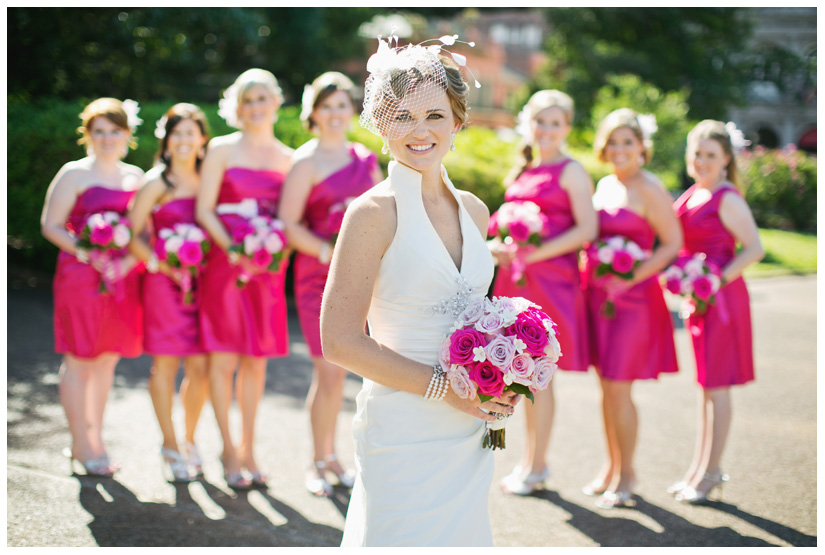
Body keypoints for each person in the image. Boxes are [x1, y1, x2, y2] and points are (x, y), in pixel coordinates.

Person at [321, 38, 520, 547]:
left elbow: (478, 318)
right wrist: (444, 389)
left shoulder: (475, 211)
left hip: (470, 432)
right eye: (403, 115)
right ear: (382, 123)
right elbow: (339, 341)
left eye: (435, 114)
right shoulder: (372, 214)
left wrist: (507, 371)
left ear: (458, 121)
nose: (420, 130)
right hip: (403, 427)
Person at [279, 71, 383, 497]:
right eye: (328, 106)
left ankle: (338, 457)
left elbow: (382, 214)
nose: (336, 113)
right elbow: (288, 224)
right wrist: (328, 252)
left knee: (352, 374)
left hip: (362, 278)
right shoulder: (304, 162)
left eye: (342, 105)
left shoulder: (365, 159)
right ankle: (318, 460)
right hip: (317, 277)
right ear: (314, 113)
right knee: (328, 371)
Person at [489, 90, 597, 495]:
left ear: (566, 128)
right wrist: (499, 248)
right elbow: (502, 226)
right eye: (540, 121)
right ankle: (525, 460)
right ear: (528, 124)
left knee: (541, 377)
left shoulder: (571, 171)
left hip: (551, 283)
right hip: (514, 282)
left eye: (555, 123)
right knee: (515, 373)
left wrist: (533, 254)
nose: (546, 130)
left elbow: (587, 230)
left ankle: (537, 466)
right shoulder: (523, 170)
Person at [196, 69, 294, 490]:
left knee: (256, 362)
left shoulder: (290, 158)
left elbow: (290, 221)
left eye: (262, 98)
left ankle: (250, 447)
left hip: (267, 272)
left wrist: (271, 255)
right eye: (247, 100)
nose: (255, 107)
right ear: (238, 107)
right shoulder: (219, 149)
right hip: (225, 267)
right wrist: (236, 252)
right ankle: (227, 448)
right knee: (224, 360)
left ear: (276, 102)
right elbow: (204, 211)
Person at [582, 108, 682, 509]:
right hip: (598, 300)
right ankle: (612, 467)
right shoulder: (603, 184)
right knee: (605, 389)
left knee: (620, 389)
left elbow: (672, 243)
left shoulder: (650, 188)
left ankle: (627, 476)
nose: (619, 149)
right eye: (613, 142)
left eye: (628, 142)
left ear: (642, 147)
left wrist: (632, 276)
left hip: (634, 302)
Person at [40, 97, 145, 476]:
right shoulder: (74, 173)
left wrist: (129, 262)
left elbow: (143, 233)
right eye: (98, 131)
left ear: (127, 134)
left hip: (121, 280)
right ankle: (80, 443)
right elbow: (50, 225)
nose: (106, 138)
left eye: (114, 130)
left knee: (106, 359)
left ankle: (96, 439)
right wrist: (88, 253)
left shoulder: (136, 177)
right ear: (87, 135)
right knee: (79, 358)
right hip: (81, 277)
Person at [669, 120, 763, 504]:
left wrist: (713, 279)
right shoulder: (693, 193)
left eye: (711, 154)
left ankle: (711, 474)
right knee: (706, 388)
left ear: (726, 159)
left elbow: (753, 248)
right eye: (697, 153)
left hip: (722, 301)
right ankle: (699, 469)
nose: (702, 160)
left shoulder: (727, 197)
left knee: (717, 387)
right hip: (701, 300)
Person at [127, 103, 211, 482]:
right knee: (166, 365)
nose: (183, 140)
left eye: (190, 132)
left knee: (202, 368)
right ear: (166, 138)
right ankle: (169, 443)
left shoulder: (210, 178)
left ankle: (190, 439)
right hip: (164, 284)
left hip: (204, 285)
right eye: (177, 133)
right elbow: (132, 235)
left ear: (202, 139)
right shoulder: (156, 183)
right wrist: (163, 265)